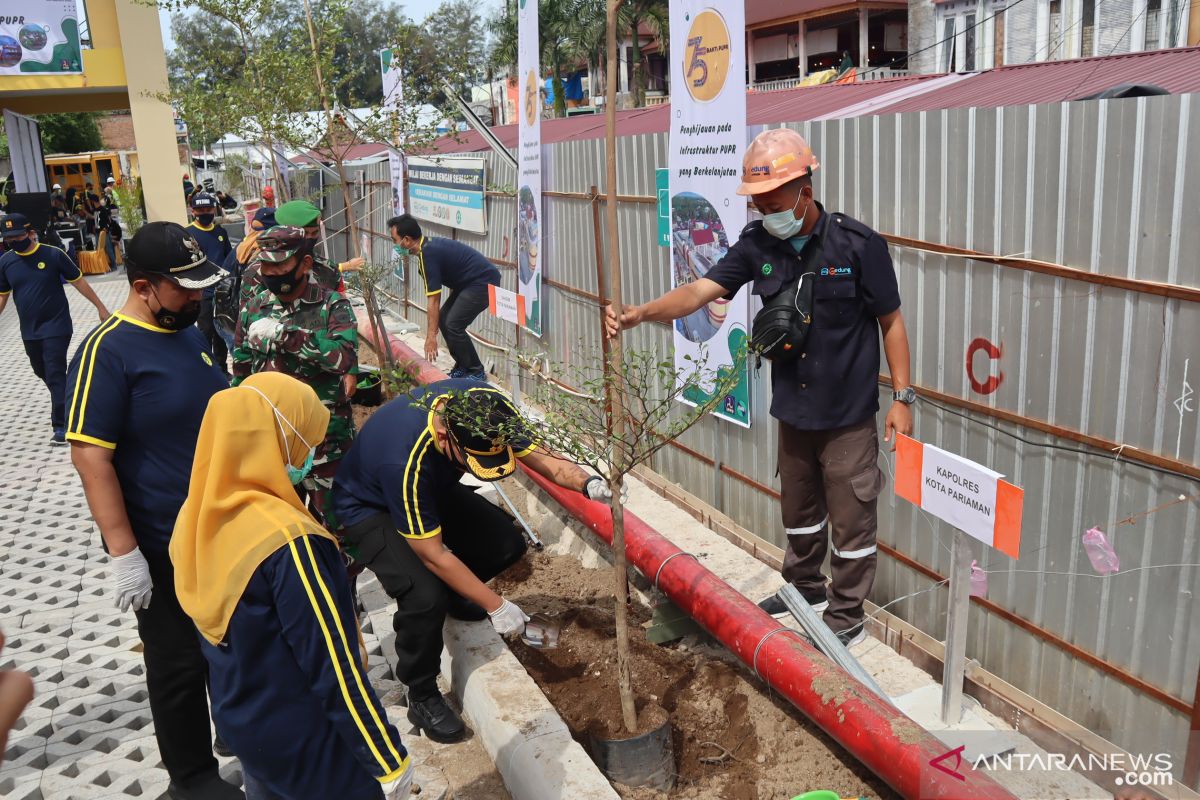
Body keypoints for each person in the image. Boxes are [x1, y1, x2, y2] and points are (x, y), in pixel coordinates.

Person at [605, 129, 915, 647]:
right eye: (758, 205)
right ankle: (804, 588)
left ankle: (847, 615)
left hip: (847, 417)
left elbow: (892, 322)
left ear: (805, 194)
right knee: (798, 513)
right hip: (793, 411)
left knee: (852, 521)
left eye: (772, 203)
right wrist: (642, 313)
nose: (764, 213)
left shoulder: (858, 245)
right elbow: (699, 290)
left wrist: (903, 398)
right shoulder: (757, 246)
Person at [171, 372, 413, 800]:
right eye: (305, 441)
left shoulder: (197, 517)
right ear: (275, 439)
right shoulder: (290, 542)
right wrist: (385, 756)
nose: (311, 455)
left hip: (243, 721)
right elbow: (331, 666)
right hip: (307, 740)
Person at [332, 379, 614, 742]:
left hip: (431, 490)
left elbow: (539, 454)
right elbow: (433, 554)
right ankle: (421, 692)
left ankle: (459, 601)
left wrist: (586, 481)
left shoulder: (487, 408)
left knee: (505, 544)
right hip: (370, 507)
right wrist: (497, 606)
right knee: (423, 595)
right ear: (445, 436)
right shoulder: (403, 458)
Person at [66, 221, 242, 800]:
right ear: (143, 286)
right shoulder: (106, 351)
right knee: (178, 664)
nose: (196, 298)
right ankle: (190, 779)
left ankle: (237, 732)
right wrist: (124, 553)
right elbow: (91, 458)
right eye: (184, 287)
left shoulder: (186, 334)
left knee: (230, 642)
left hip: (217, 528)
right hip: (160, 540)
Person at [232, 226, 358, 531]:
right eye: (266, 265)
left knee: (338, 528)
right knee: (276, 529)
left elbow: (342, 357)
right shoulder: (253, 308)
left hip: (326, 442)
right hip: (272, 444)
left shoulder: (331, 305)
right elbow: (241, 372)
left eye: (280, 264)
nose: (272, 272)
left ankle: (341, 578)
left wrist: (288, 336)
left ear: (304, 264)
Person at [0, 213, 110, 444]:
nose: (14, 241)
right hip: (29, 330)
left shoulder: (52, 254)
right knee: (43, 371)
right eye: (9, 238)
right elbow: (2, 296)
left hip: (57, 326)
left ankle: (61, 424)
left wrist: (100, 307)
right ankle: (71, 392)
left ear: (30, 233)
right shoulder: (6, 262)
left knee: (55, 371)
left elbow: (78, 281)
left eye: (18, 235)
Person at [387, 214, 500, 380]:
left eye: (394, 240)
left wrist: (431, 337)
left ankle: (476, 371)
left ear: (406, 240)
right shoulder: (426, 249)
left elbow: (433, 300)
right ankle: (463, 365)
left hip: (483, 282)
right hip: (469, 283)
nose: (394, 245)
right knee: (445, 319)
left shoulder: (427, 254)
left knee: (453, 324)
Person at [188, 192, 234, 369]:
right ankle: (204, 368)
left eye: (208, 209)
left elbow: (228, 259)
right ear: (193, 211)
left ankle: (221, 367)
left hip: (222, 290)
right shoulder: (188, 234)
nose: (205, 213)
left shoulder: (220, 232)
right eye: (200, 210)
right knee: (205, 331)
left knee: (221, 331)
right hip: (202, 291)